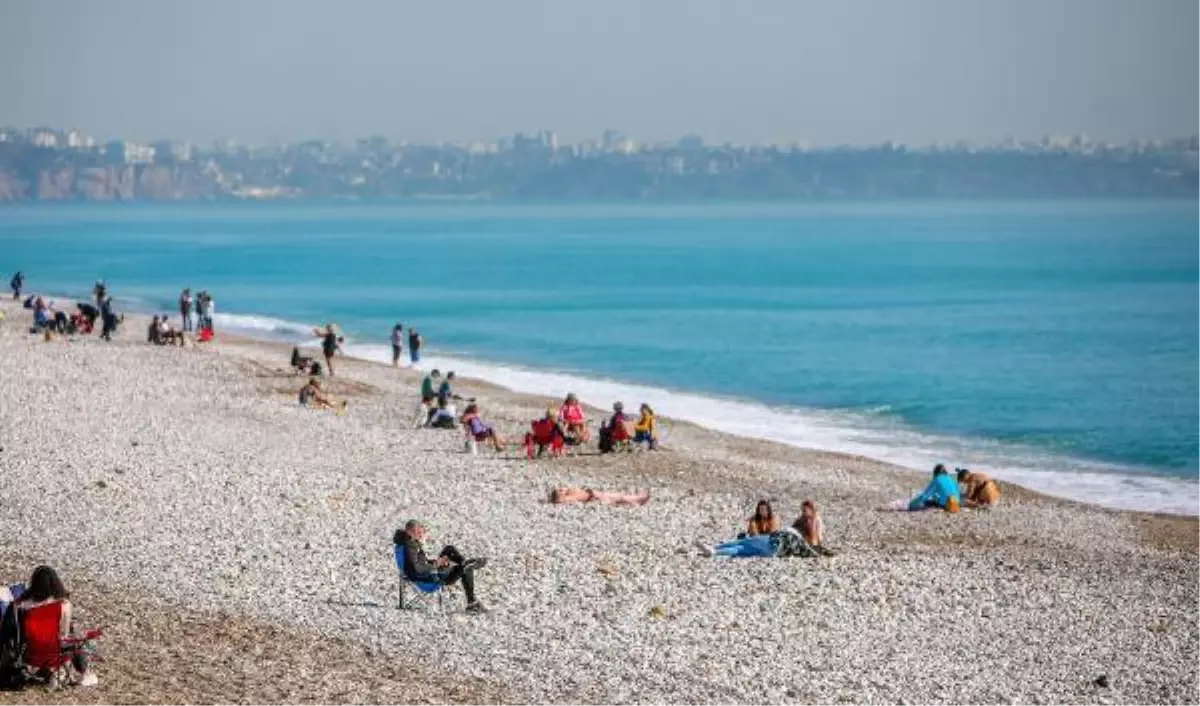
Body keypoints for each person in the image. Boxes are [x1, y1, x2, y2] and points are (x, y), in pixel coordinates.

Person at [13, 566, 98, 687]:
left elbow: (18, 632)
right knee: (82, 639)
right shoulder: (63, 604)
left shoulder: (21, 604)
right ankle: (85, 673)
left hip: (29, 653)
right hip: (53, 653)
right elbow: (64, 634)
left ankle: (49, 672)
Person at [394, 520, 488, 614]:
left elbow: (419, 563)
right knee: (467, 567)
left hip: (427, 573)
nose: (421, 535)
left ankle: (463, 566)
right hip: (429, 578)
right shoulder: (409, 547)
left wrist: (437, 562)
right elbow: (416, 568)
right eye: (418, 532)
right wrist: (436, 564)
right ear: (409, 532)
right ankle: (472, 603)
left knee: (450, 549)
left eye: (422, 532)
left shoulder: (408, 542)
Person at [549, 487, 650, 506]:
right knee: (619, 498)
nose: (562, 489)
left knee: (618, 498)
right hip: (595, 497)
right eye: (560, 490)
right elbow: (560, 501)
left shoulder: (568, 493)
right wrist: (560, 498)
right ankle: (639, 499)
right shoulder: (567, 497)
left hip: (595, 495)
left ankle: (636, 499)